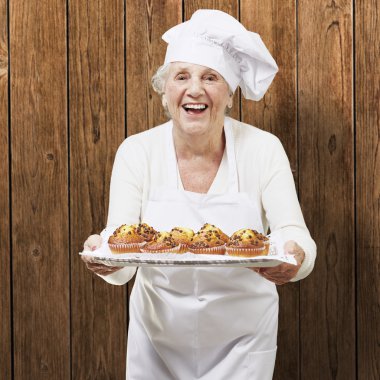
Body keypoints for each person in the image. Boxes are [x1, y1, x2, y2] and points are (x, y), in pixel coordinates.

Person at [82, 9, 316, 380]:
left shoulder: (263, 149)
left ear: (228, 93)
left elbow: (294, 235)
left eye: (211, 77)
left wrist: (296, 259)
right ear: (165, 90)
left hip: (243, 341)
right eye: (181, 77)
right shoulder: (136, 151)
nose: (195, 90)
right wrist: (105, 258)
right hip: (157, 340)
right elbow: (121, 252)